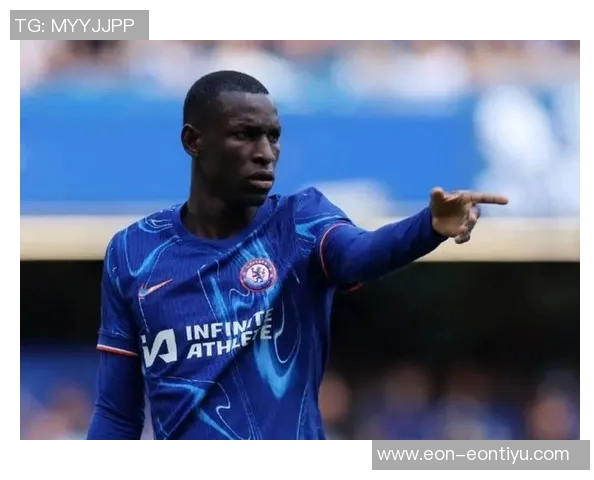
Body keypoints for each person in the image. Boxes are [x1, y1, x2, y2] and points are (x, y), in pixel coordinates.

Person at [86, 70, 508, 440]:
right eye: (245, 134)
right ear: (193, 141)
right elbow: (116, 414)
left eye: (273, 136)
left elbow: (361, 254)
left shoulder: (300, 222)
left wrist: (428, 227)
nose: (266, 153)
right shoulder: (134, 252)